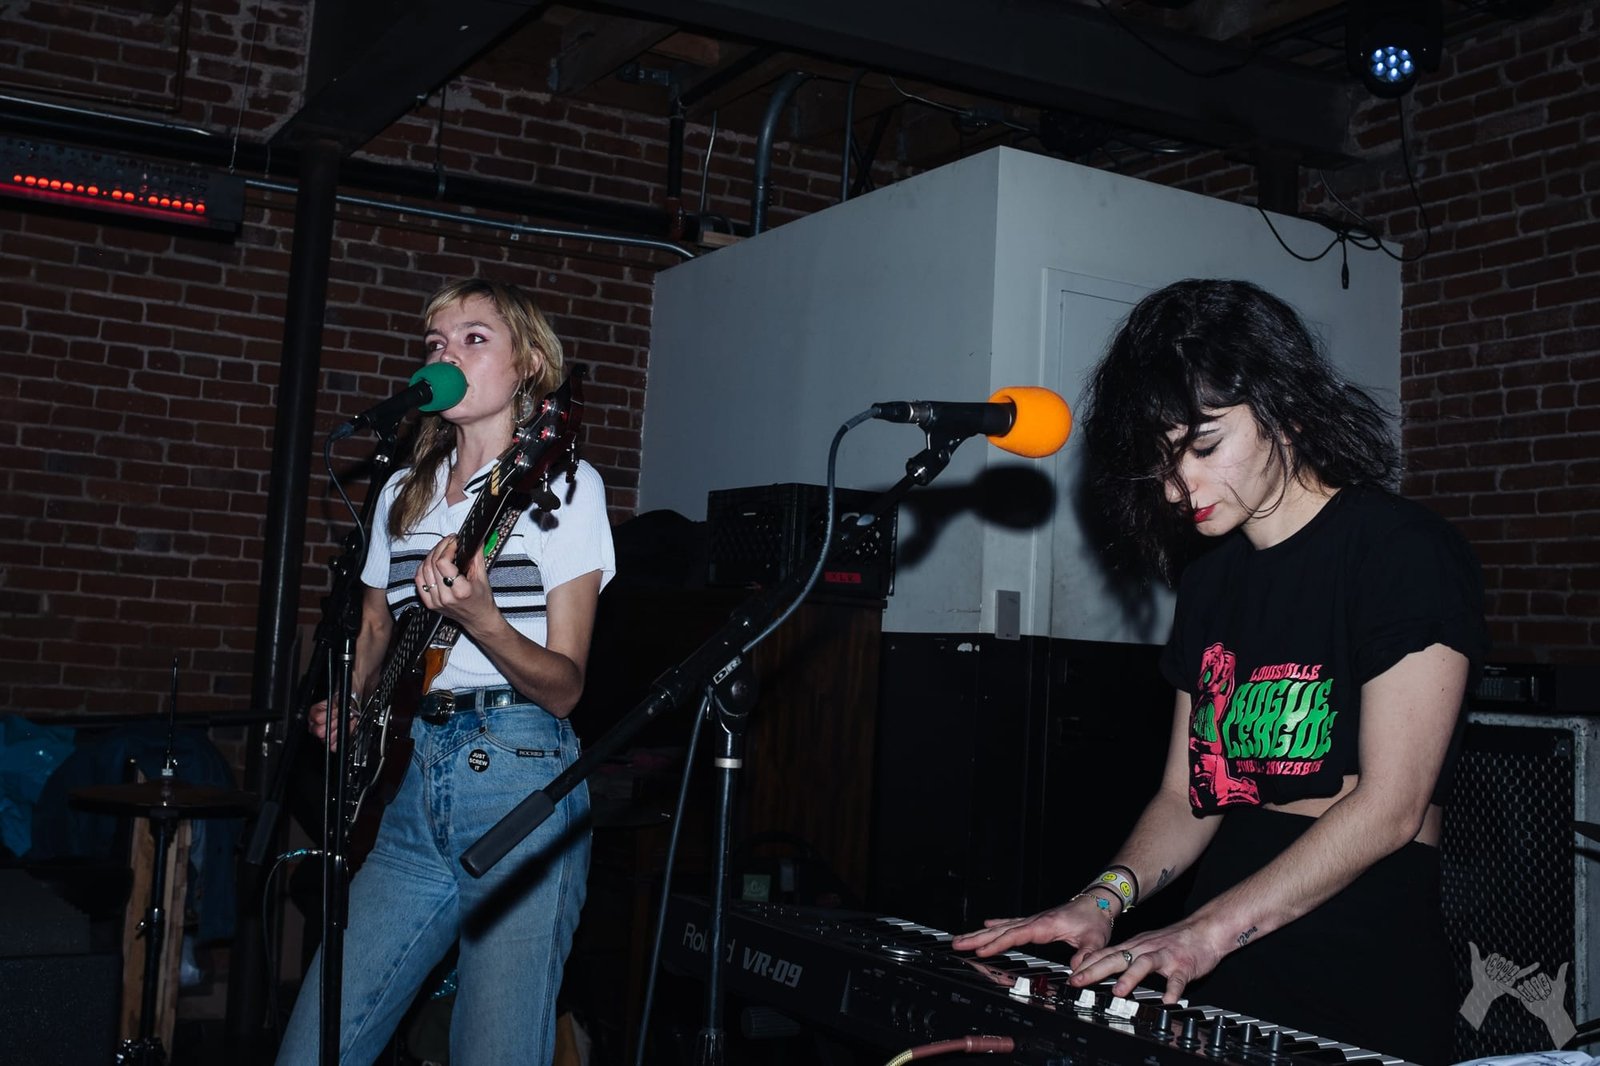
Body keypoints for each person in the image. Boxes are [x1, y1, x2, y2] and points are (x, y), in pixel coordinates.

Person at [953, 279, 1486, 1065]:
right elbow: (1187, 795)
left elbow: (1391, 808)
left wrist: (1205, 932)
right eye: (1162, 461)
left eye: (1203, 448)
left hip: (1355, 960)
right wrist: (1103, 899)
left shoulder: (1400, 552)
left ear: (1286, 408)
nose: (1179, 487)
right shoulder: (1210, 582)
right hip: (1218, 958)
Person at [277, 278, 615, 1065]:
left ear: (528, 364)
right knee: (317, 1042)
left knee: (494, 1049)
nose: (447, 354)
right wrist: (354, 702)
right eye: (436, 343)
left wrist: (484, 620)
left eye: (474, 338)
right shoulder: (402, 491)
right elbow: (375, 622)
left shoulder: (562, 484)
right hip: (409, 782)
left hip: (519, 774)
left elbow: (566, 687)